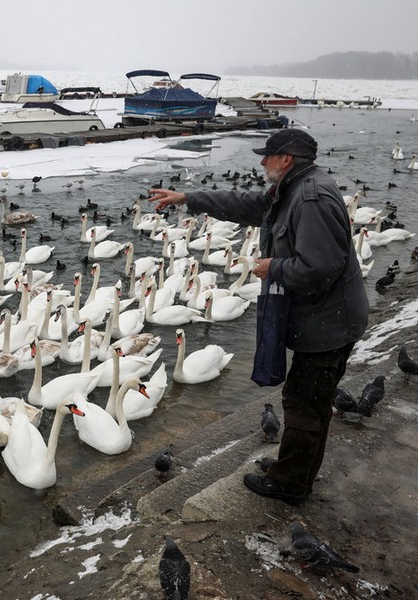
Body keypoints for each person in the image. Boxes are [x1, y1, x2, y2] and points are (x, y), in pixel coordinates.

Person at [148, 128, 368, 505]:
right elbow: (248, 205)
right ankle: (294, 468)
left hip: (329, 324)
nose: (261, 161)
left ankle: (290, 484)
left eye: (267, 155)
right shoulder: (294, 187)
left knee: (303, 403)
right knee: (310, 401)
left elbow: (322, 267)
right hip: (324, 319)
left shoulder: (310, 198)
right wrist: (189, 198)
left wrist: (273, 267)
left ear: (286, 159)